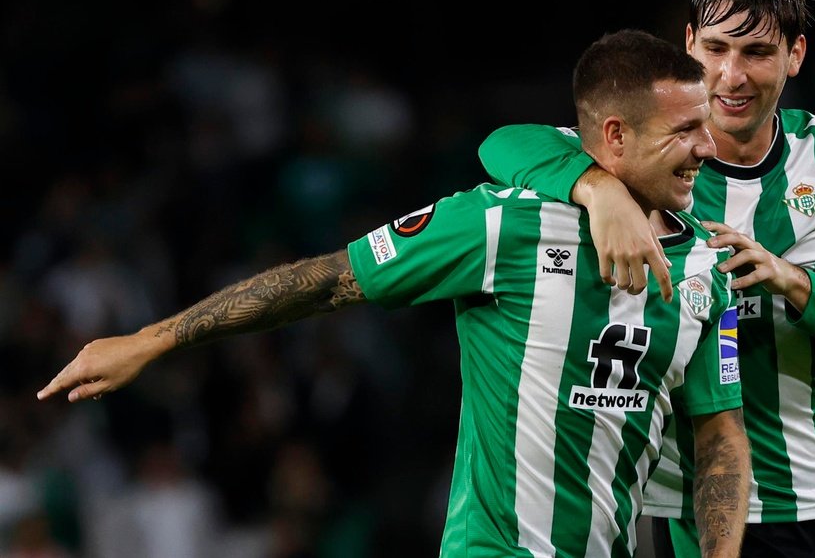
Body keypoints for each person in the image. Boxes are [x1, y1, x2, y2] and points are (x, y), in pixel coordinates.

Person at [37, 29, 752, 558]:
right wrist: (153, 339)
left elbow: (718, 435)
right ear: (615, 137)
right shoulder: (502, 223)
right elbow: (327, 281)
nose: (708, 147)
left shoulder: (706, 270)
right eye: (684, 130)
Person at [476, 0, 815, 558]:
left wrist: (791, 279)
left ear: (795, 54)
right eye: (715, 49)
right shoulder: (647, 160)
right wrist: (597, 190)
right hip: (671, 506)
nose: (731, 77)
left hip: (810, 500)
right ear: (688, 46)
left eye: (757, 52)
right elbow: (503, 144)